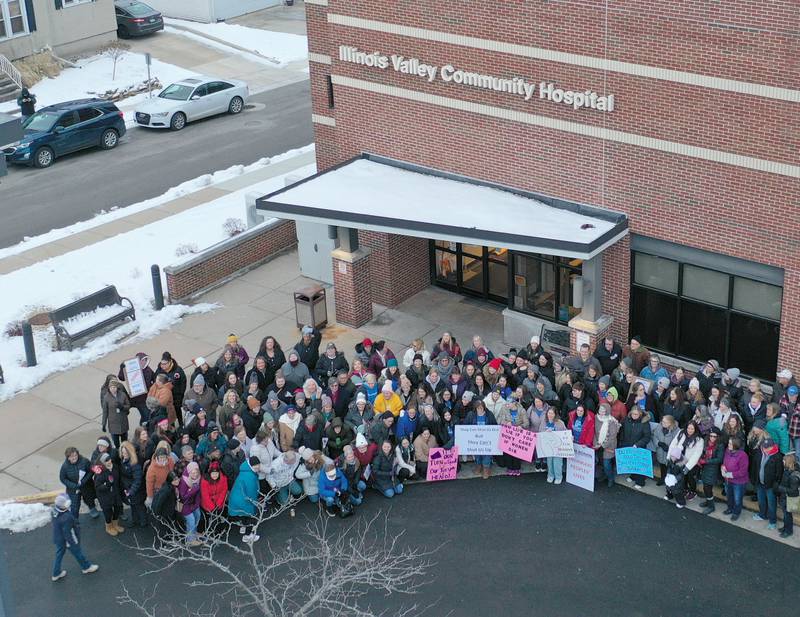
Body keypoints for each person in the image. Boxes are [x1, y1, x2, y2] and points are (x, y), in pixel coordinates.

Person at [51, 493, 99, 582]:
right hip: (68, 540)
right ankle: (86, 567)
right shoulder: (67, 517)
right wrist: (74, 543)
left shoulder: (54, 511)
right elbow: (68, 533)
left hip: (58, 538)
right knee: (78, 553)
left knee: (59, 555)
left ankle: (56, 573)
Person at [665, 422, 704, 508]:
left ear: (695, 429)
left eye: (692, 429)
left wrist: (688, 467)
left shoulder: (699, 440)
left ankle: (692, 492)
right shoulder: (681, 433)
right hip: (678, 460)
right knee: (680, 478)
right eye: (688, 428)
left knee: (690, 477)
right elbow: (673, 444)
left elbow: (696, 455)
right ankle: (683, 491)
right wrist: (668, 457)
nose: (690, 430)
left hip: (690, 462)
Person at [228, 456, 261, 543]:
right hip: (243, 500)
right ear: (251, 465)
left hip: (236, 499)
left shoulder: (245, 471)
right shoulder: (250, 476)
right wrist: (255, 503)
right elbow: (251, 493)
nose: (257, 467)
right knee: (250, 517)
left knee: (242, 516)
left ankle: (243, 528)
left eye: (258, 464)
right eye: (255, 465)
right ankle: (247, 536)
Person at [752, 437, 783, 530]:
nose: (765, 449)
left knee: (771, 504)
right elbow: (755, 466)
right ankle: (762, 515)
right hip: (760, 483)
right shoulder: (759, 452)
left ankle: (772, 521)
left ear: (772, 446)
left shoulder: (778, 456)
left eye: (767, 447)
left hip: (770, 486)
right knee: (761, 501)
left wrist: (775, 485)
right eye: (763, 446)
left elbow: (779, 473)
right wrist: (754, 479)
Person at [59, 447, 98, 520]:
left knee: (89, 498)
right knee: (74, 505)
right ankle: (74, 520)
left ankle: (92, 508)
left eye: (75, 455)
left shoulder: (84, 461)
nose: (74, 457)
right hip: (73, 488)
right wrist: (73, 485)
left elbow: (91, 471)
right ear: (68, 458)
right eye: (71, 456)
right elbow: (63, 478)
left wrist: (84, 481)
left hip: (86, 485)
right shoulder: (65, 466)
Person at [620, 406, 651, 490]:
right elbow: (622, 430)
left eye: (636, 414)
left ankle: (640, 482)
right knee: (632, 463)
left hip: (639, 447)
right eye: (633, 413)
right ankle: (633, 476)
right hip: (628, 444)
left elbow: (647, 437)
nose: (634, 415)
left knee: (639, 465)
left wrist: (637, 444)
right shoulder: (627, 420)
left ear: (640, 414)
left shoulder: (644, 423)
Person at [93, 453, 124, 536]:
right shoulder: (99, 472)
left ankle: (115, 524)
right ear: (102, 462)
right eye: (106, 460)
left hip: (115, 493)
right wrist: (107, 485)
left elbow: (118, 480)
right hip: (105, 497)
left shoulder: (115, 467)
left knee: (117, 509)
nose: (109, 461)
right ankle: (109, 527)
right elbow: (97, 486)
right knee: (108, 513)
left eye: (109, 459)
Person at [464, 401, 497, 479]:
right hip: (475, 439)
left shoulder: (489, 414)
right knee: (477, 453)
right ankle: (479, 465)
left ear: (484, 407)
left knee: (487, 454)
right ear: (475, 408)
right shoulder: (471, 414)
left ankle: (486, 468)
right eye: (478, 408)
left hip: (487, 439)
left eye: (481, 408)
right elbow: (465, 426)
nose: (480, 409)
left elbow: (495, 426)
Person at [119, 441, 147, 528]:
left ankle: (143, 522)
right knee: (133, 506)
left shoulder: (134, 463)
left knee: (139, 507)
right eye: (123, 453)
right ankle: (135, 521)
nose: (124, 454)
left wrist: (131, 491)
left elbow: (137, 480)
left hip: (136, 490)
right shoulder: (124, 460)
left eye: (126, 453)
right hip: (129, 489)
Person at [698, 428, 725, 514]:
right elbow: (703, 452)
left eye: (714, 436)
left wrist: (706, 461)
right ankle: (708, 501)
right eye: (711, 436)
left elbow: (719, 459)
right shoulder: (706, 442)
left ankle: (711, 506)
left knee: (708, 487)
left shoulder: (720, 445)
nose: (712, 438)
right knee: (705, 486)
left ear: (718, 437)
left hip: (712, 469)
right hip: (704, 467)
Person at [720, 437, 748, 521]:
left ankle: (736, 512)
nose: (728, 445)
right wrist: (723, 467)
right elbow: (724, 462)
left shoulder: (743, 455)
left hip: (738, 482)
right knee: (729, 496)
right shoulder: (727, 451)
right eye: (729, 443)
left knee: (737, 499)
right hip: (728, 480)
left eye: (730, 444)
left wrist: (729, 474)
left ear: (736, 445)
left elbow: (743, 471)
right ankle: (730, 508)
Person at [594, 404, 620, 488]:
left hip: (609, 446)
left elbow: (613, 436)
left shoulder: (612, 421)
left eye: (604, 411)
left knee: (606, 464)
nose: (601, 412)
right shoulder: (596, 418)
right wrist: (596, 443)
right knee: (600, 461)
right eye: (600, 410)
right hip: (598, 444)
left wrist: (604, 445)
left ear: (607, 411)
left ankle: (610, 478)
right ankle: (604, 475)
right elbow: (594, 431)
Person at [177, 462, 203, 546]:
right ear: (189, 472)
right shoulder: (184, 481)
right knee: (191, 520)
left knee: (198, 516)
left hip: (194, 503)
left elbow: (198, 494)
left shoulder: (198, 478)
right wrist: (193, 490)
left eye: (196, 472)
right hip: (185, 505)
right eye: (193, 473)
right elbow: (183, 496)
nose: (195, 475)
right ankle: (190, 539)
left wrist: (196, 504)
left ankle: (194, 532)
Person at [200, 461, 229, 533]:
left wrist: (218, 504)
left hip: (219, 502)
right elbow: (205, 495)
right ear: (209, 473)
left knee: (217, 518)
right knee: (209, 519)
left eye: (216, 473)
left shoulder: (223, 478)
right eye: (213, 473)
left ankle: (217, 531)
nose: (215, 475)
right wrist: (212, 507)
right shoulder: (205, 480)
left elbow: (224, 491)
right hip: (208, 504)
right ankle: (210, 531)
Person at [101, 378, 131, 448]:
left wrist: (122, 407)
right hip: (113, 424)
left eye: (114, 387)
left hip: (123, 422)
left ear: (117, 387)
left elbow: (128, 406)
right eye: (111, 387)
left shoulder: (122, 395)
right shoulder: (106, 397)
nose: (112, 389)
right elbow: (105, 412)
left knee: (124, 443)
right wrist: (103, 424)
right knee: (116, 444)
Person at [650, 415, 680, 485]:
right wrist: (659, 443)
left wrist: (670, 448)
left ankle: (670, 482)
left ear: (670, 423)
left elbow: (678, 442)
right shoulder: (659, 426)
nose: (662, 423)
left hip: (670, 453)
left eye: (665, 422)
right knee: (662, 466)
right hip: (660, 451)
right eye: (662, 421)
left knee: (670, 468)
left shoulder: (676, 430)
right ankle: (662, 478)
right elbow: (654, 436)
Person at [775, 453, 799, 538]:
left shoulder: (793, 476)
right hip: (784, 497)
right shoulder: (787, 470)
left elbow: (793, 491)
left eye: (784, 460)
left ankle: (788, 531)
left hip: (788, 499)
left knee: (788, 515)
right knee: (786, 514)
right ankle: (785, 527)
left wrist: (780, 488)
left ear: (788, 462)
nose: (782, 461)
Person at [542, 407, 567, 484]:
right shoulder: (544, 422)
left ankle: (558, 476)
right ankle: (550, 475)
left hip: (558, 447)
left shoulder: (560, 422)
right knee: (549, 462)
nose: (550, 415)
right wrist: (545, 432)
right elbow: (540, 433)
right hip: (548, 446)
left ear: (555, 414)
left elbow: (565, 432)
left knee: (557, 462)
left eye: (552, 413)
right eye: (549, 413)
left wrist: (570, 437)